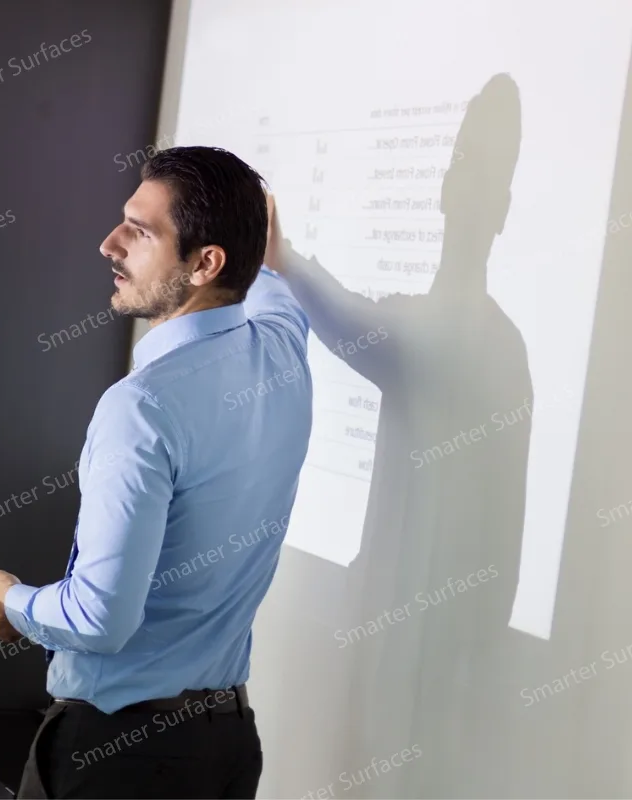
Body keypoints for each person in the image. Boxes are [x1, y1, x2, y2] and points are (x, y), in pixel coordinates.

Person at [0, 146, 312, 799]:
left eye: (141, 231)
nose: (109, 244)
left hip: (117, 762)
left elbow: (99, 619)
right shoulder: (283, 350)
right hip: (227, 747)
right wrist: (249, 225)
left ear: (207, 263)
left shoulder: (142, 407)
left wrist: (10, 598)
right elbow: (269, 279)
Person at [265, 74, 534, 796]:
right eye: (459, 163)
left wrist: (284, 257)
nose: (464, 183)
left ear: (503, 207)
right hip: (388, 656)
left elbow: (357, 327)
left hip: (429, 682)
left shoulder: (486, 343)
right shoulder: (435, 322)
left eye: (482, 168)